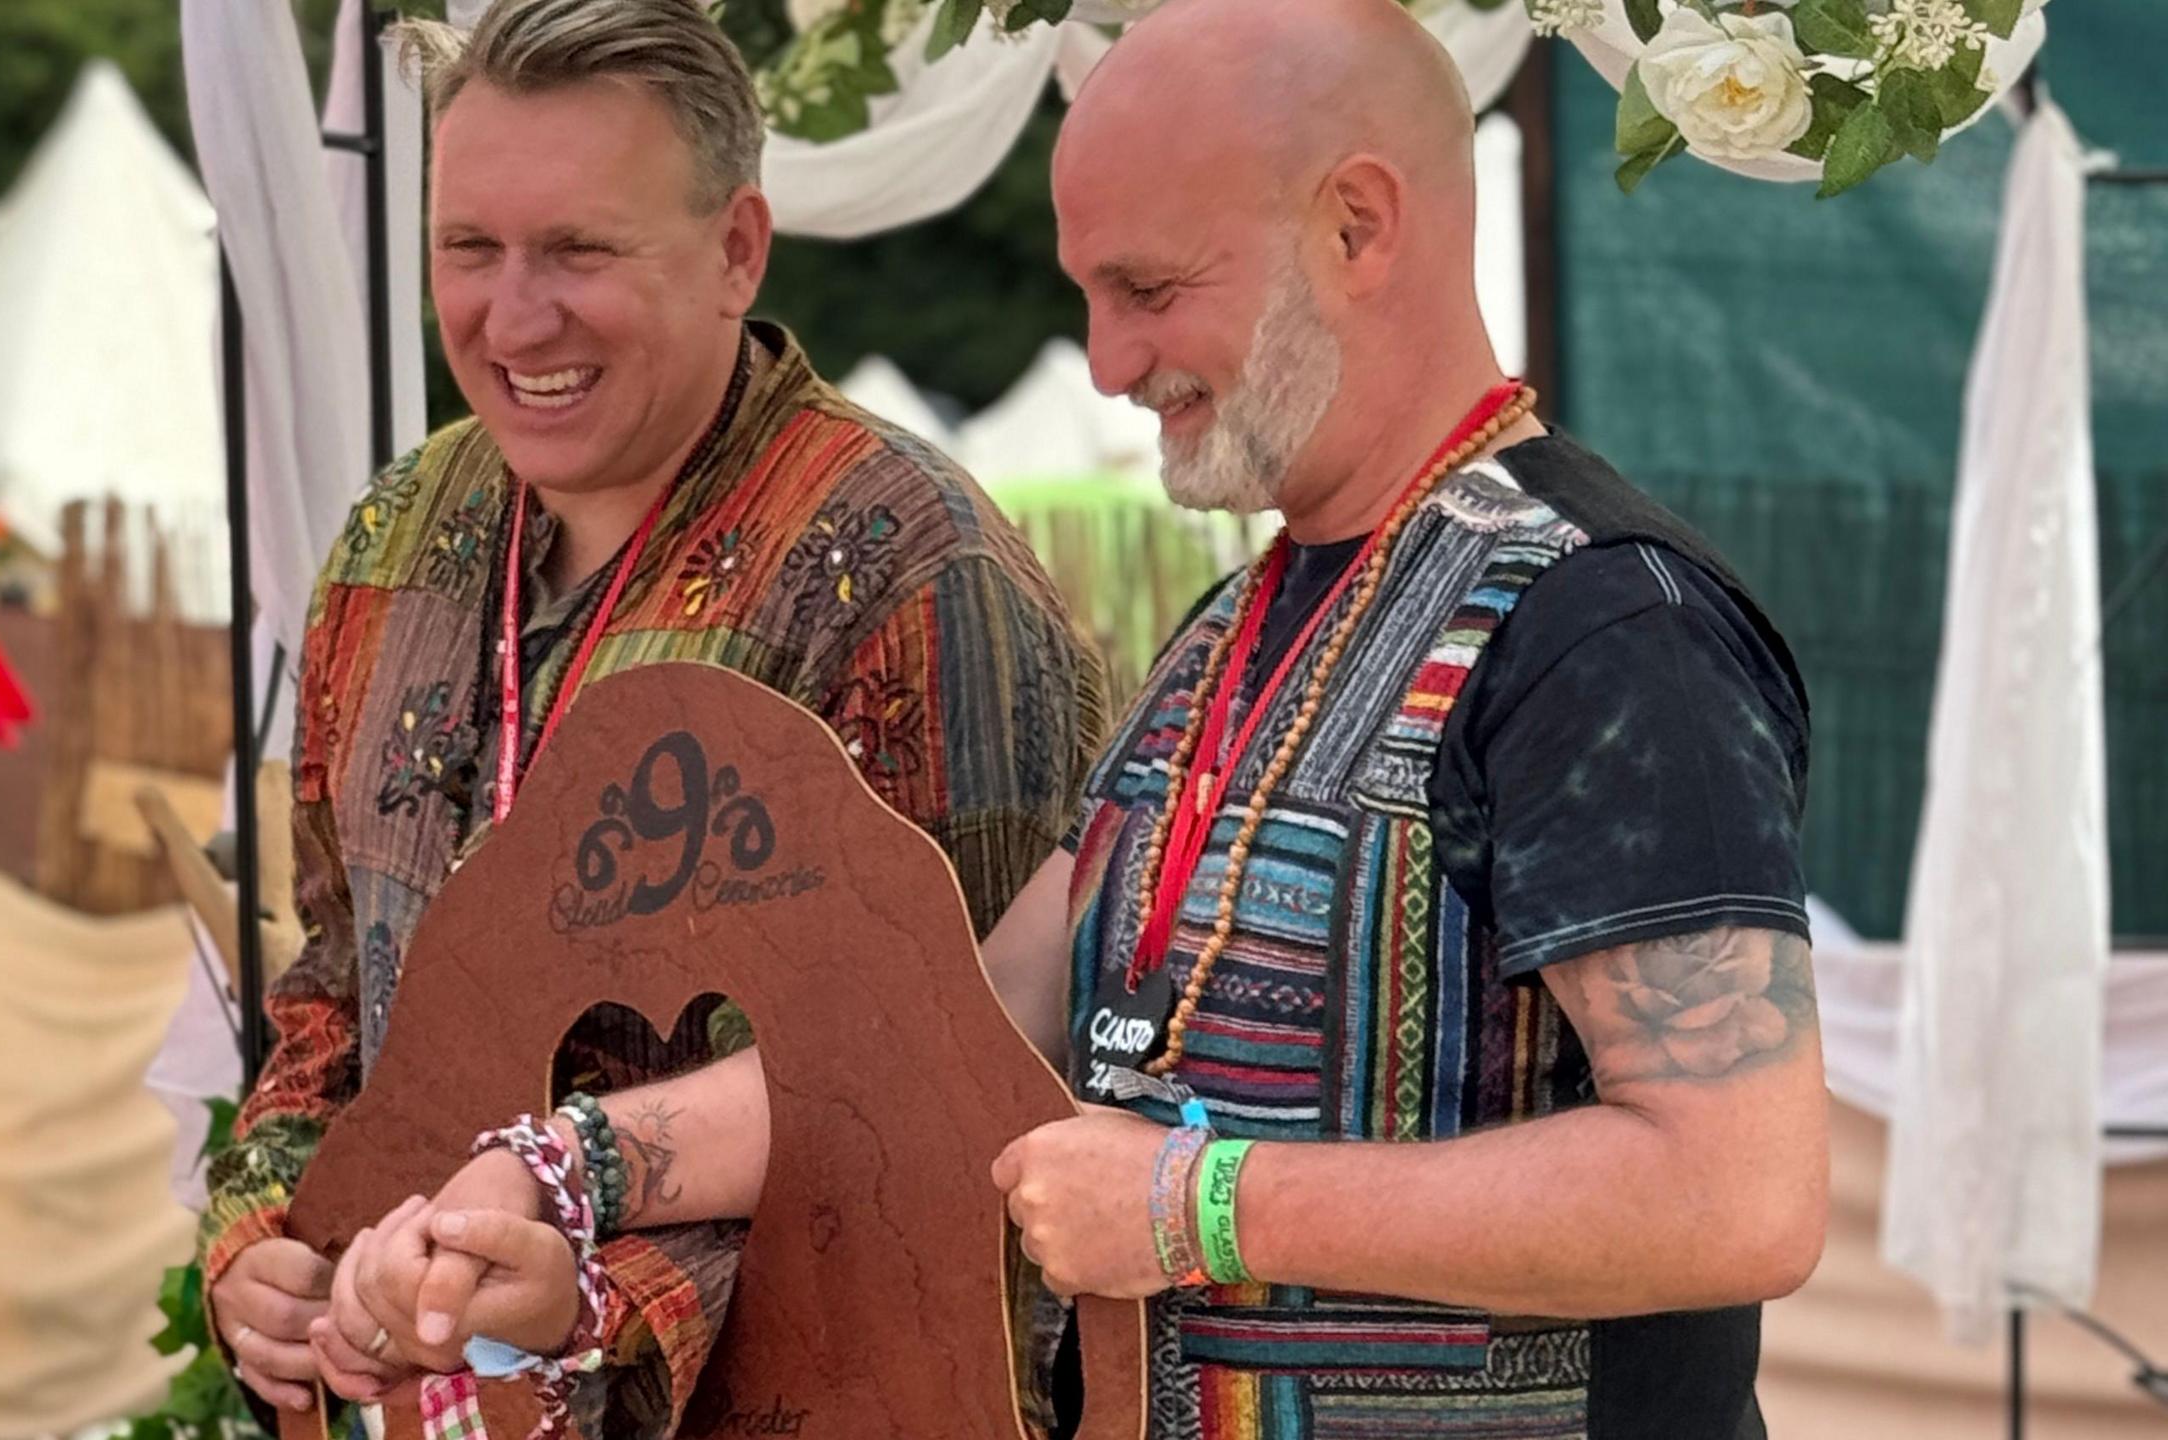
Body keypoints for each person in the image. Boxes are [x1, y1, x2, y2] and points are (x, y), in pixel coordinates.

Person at [373, 0, 1827, 1436]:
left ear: (1358, 227)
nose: (1109, 360)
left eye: (1149, 287)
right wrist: (572, 1169)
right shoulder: (1231, 632)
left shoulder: (1605, 625)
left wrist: (1198, 1205)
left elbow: (1737, 1194)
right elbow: (971, 1031)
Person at [196, 0, 1105, 1424]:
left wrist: (592, 1299)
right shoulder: (394, 535)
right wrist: (268, 1235)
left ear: (738, 247)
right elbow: (334, 977)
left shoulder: (909, 568)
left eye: (579, 250)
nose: (514, 316)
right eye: (470, 248)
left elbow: (961, 1101)